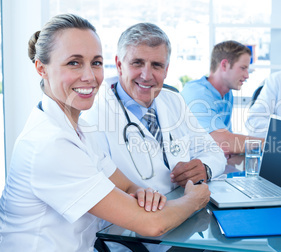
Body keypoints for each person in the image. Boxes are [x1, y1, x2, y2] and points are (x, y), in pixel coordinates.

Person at [0, 14, 210, 251]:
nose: (90, 76)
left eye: (96, 63)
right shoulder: (49, 144)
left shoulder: (79, 130)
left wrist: (144, 194)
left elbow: (128, 186)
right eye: (74, 63)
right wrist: (194, 200)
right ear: (42, 68)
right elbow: (152, 225)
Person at [82, 23, 226, 193]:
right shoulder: (93, 114)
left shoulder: (174, 100)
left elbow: (214, 153)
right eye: (137, 63)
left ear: (166, 70)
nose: (146, 75)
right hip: (135, 216)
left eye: (157, 65)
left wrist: (205, 169)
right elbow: (101, 188)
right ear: (119, 65)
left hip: (186, 209)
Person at [181, 40, 264, 155]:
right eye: (243, 68)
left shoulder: (227, 94)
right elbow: (223, 142)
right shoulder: (197, 93)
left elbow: (227, 143)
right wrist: (266, 144)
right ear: (224, 65)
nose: (247, 75)